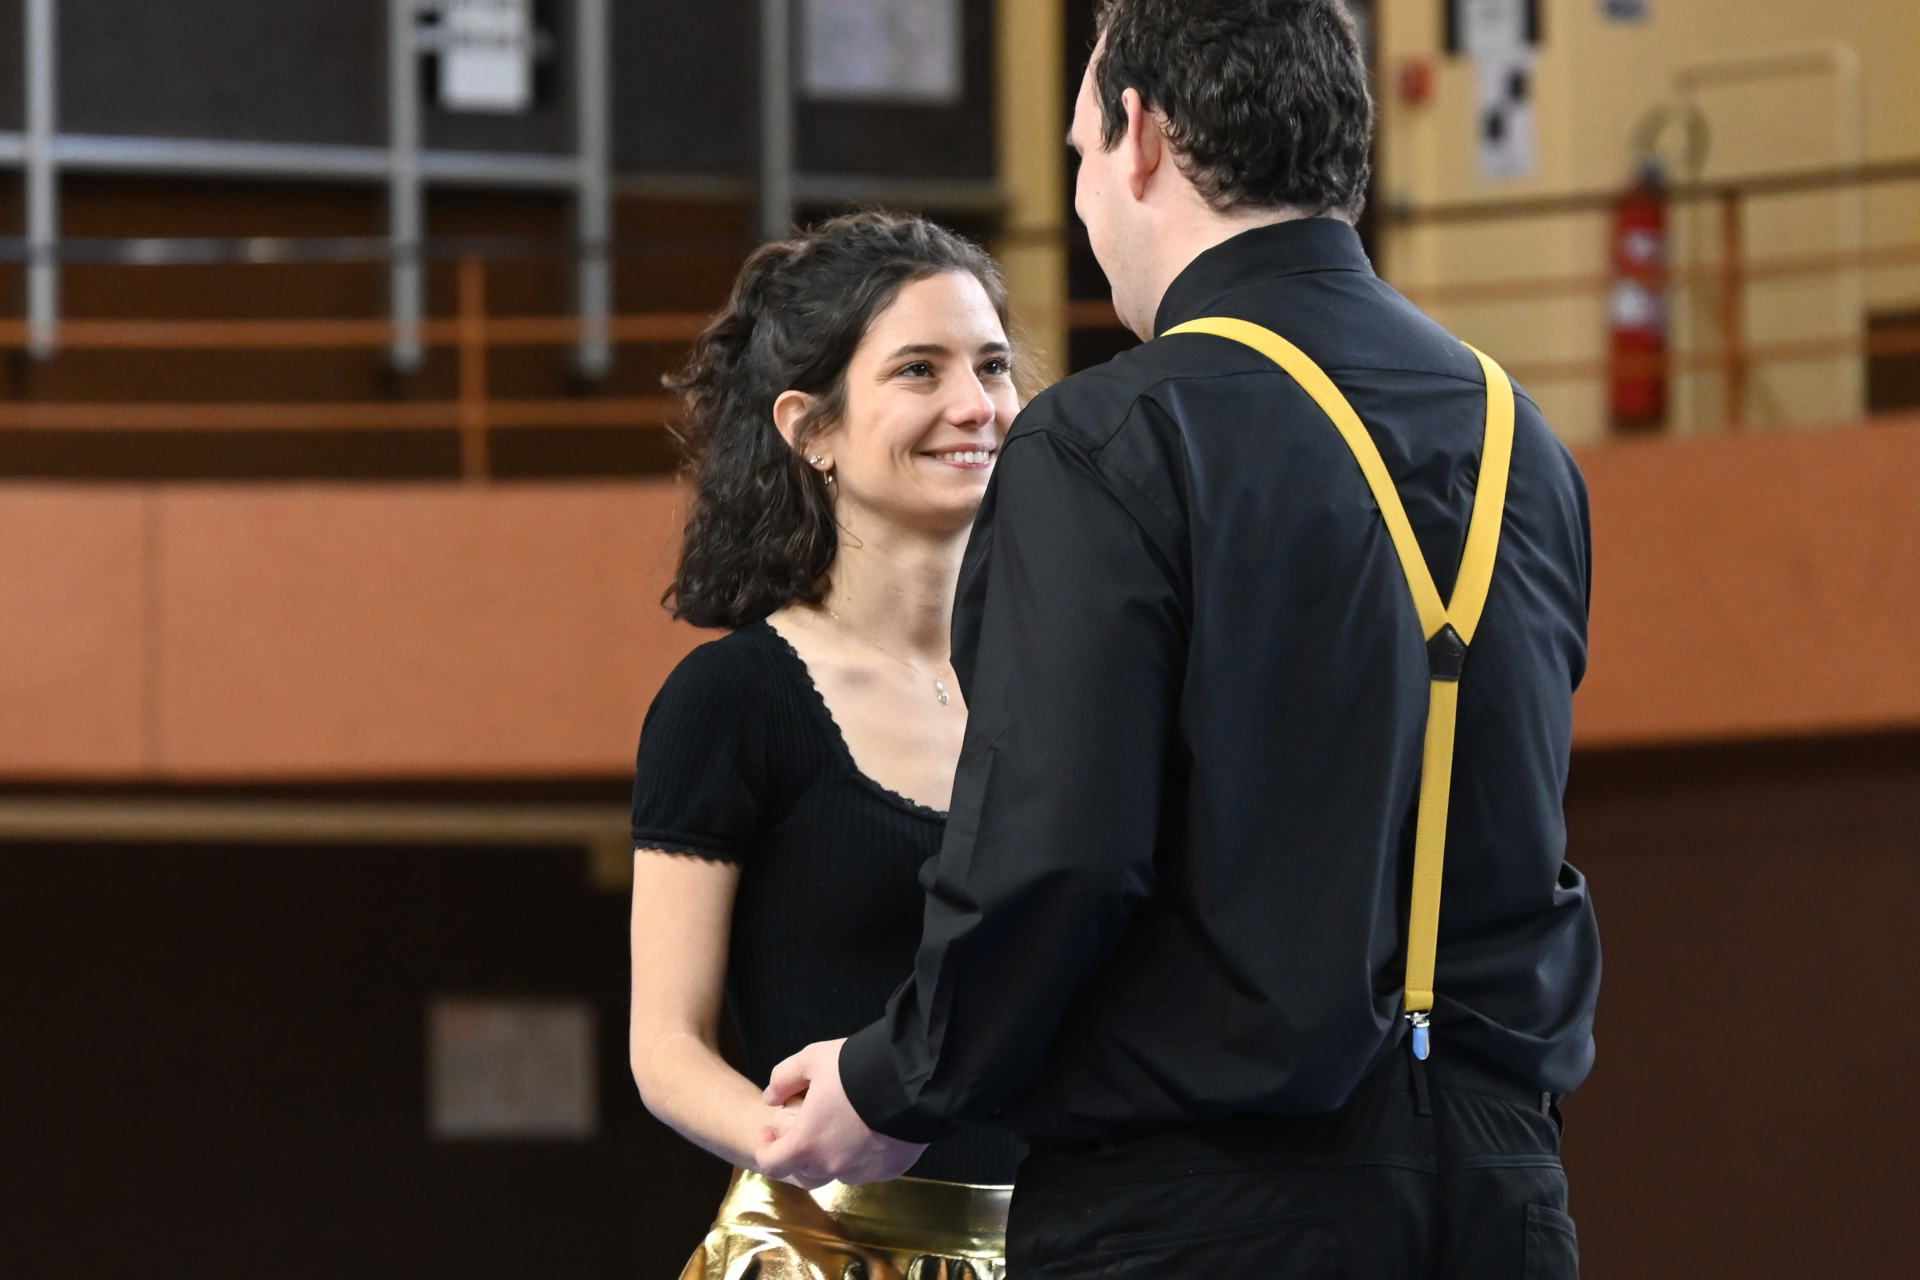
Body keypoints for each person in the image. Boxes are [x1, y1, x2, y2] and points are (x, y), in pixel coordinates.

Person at [757, 2, 1602, 1277]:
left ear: (1141, 137)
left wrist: (894, 1080)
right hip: (1504, 1195)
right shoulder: (1523, 440)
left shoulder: (1113, 436)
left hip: (1206, 1206)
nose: (1083, 197)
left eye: (1080, 154)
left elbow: (1059, 849)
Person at [627, 211, 1025, 1279]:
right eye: (920, 368)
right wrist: (794, 1140)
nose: (975, 404)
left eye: (992, 365)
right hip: (824, 1243)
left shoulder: (1070, 687)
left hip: (1059, 1244)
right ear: (811, 428)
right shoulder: (734, 699)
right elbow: (665, 1044)